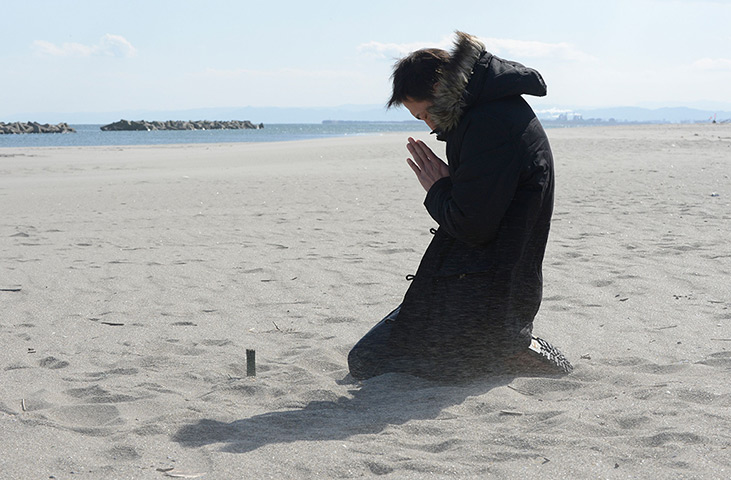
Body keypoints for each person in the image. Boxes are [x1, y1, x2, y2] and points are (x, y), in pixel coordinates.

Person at [348, 31, 572, 381]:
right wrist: (453, 186)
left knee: (368, 360)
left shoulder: (486, 124)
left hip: (490, 291)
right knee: (379, 351)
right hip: (487, 277)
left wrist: (438, 188)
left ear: (439, 91)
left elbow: (472, 226)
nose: (430, 126)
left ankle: (511, 349)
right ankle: (504, 346)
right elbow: (485, 204)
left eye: (424, 114)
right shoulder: (486, 110)